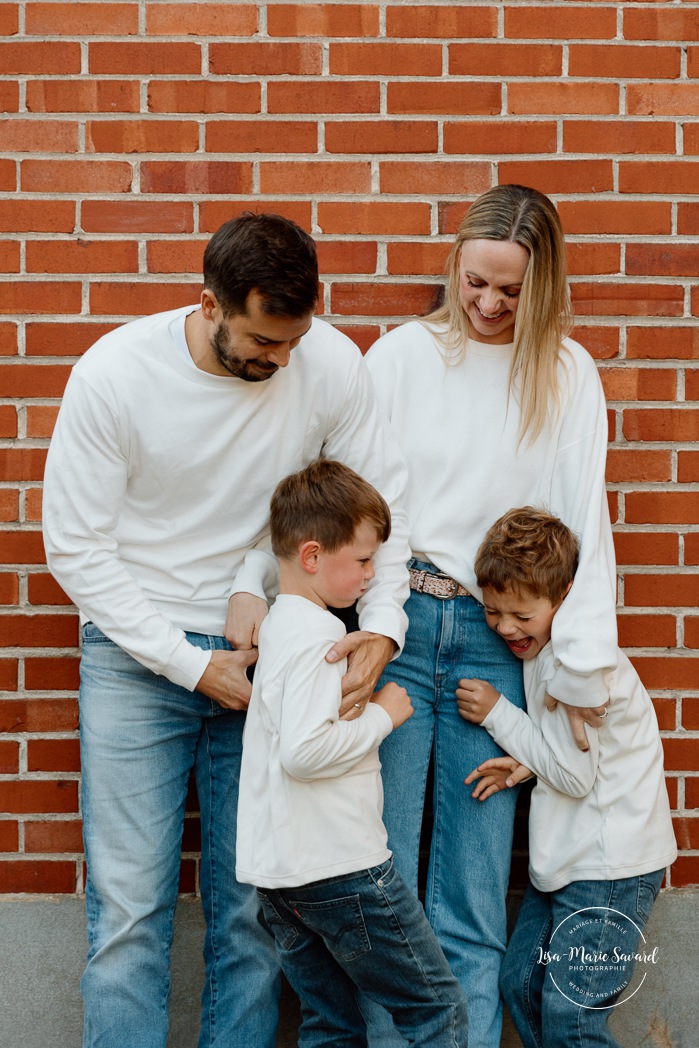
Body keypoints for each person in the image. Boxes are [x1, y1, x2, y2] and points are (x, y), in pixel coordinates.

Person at [41, 213, 411, 1048]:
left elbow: (384, 508)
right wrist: (187, 664)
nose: (279, 361)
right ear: (207, 303)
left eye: (292, 340)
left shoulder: (329, 364)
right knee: (130, 911)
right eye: (260, 341)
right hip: (139, 659)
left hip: (272, 657)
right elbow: (74, 546)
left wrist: (382, 627)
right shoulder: (115, 374)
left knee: (251, 912)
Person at [363, 184, 618, 1048]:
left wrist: (577, 670)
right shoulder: (399, 357)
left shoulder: (564, 372)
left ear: (541, 286)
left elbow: (584, 526)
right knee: (381, 880)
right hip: (399, 624)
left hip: (495, 642)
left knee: (471, 891)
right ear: (455, 264)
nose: (486, 304)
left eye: (510, 291)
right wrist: (369, 627)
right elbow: (369, 506)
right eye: (475, 281)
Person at [236, 459, 469, 1048]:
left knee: (330, 1023)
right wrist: (382, 717)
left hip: (282, 878)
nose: (372, 575)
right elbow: (305, 752)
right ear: (312, 557)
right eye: (363, 560)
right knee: (438, 1007)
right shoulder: (320, 638)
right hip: (342, 866)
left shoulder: (283, 628)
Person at [458, 506, 677, 1048]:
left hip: (608, 869)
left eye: (521, 615)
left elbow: (577, 778)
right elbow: (578, 759)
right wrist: (532, 760)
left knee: (572, 1016)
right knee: (523, 987)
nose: (505, 626)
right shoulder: (547, 650)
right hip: (569, 863)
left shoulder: (572, 669)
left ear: (564, 599)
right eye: (493, 611)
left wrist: (498, 716)